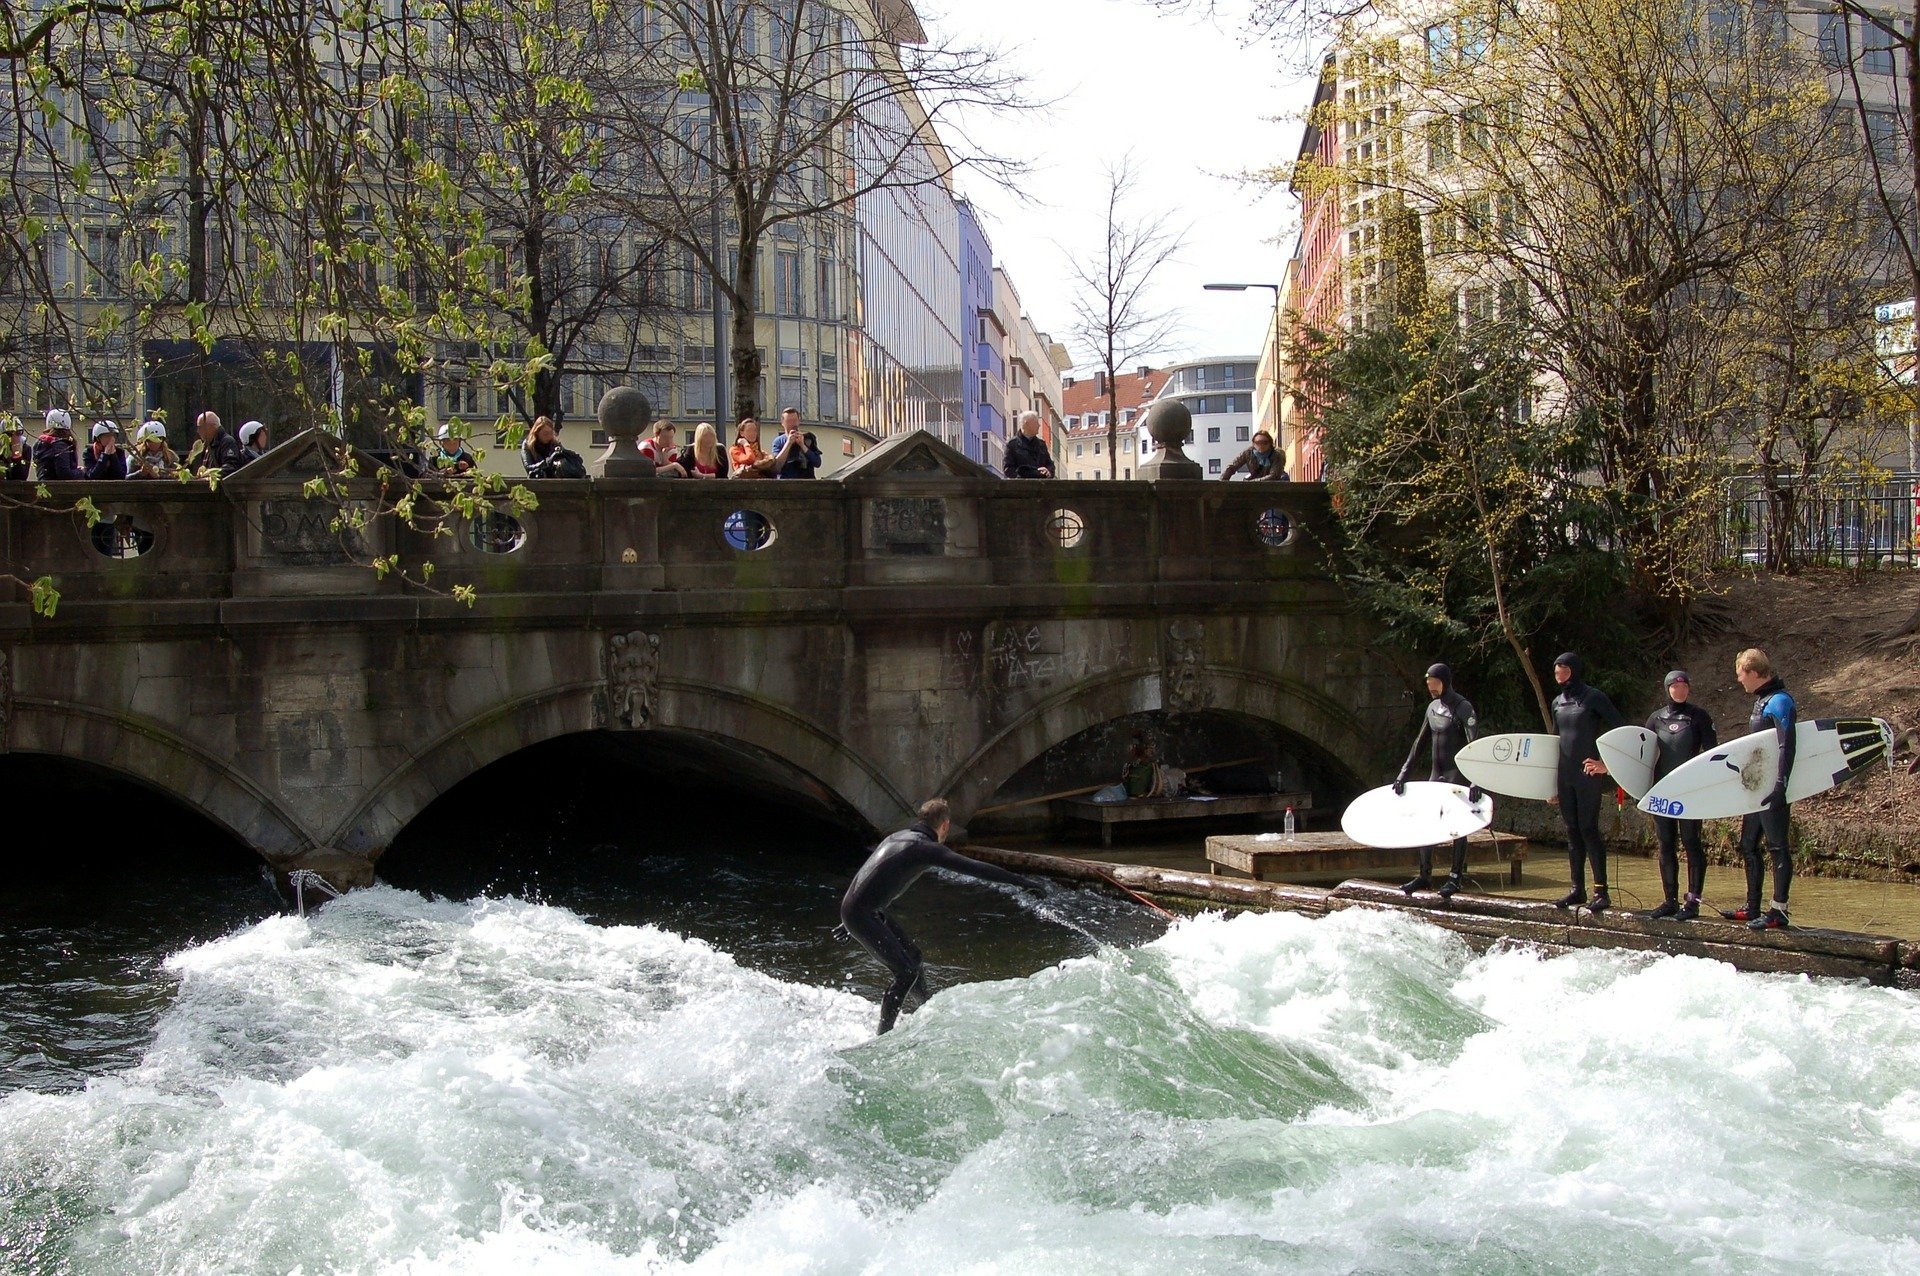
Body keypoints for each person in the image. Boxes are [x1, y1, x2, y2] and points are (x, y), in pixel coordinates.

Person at [836, 798, 1041, 1034]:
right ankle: (883, 1037)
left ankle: (926, 1012)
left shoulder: (897, 837)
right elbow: (976, 868)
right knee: (906, 971)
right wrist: (1022, 882)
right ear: (945, 825)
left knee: (914, 958)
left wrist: (848, 916)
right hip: (863, 913)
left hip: (862, 909)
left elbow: (873, 874)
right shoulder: (924, 848)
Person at [1393, 662, 1480, 898]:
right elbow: (1419, 743)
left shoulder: (1463, 708)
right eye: (1429, 684)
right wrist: (1403, 774)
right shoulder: (1432, 708)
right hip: (1436, 775)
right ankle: (1424, 875)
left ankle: (1455, 878)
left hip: (1456, 776)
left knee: (1458, 826)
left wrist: (1475, 780)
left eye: (1435, 684)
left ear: (1445, 682)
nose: (1431, 688)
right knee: (1426, 822)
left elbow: (1475, 746)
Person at [1549, 651, 1624, 912]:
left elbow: (1620, 729)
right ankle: (1576, 890)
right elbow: (1554, 744)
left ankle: (1601, 892)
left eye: (1564, 670)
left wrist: (1606, 764)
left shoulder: (1593, 697)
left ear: (1575, 670)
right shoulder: (1557, 702)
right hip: (1565, 775)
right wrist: (1549, 784)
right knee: (1572, 831)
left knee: (1588, 828)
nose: (1560, 675)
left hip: (1588, 774)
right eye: (1557, 671)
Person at [1727, 649, 1796, 930]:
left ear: (1753, 673)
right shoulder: (1762, 701)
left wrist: (1781, 785)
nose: (1739, 680)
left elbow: (1786, 745)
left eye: (1741, 675)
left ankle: (1779, 910)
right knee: (1747, 845)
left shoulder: (1780, 701)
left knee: (1777, 847)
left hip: (1773, 787)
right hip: (1756, 788)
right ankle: (1752, 906)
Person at [1644, 670, 1716, 921]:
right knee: (1665, 843)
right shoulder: (1655, 719)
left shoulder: (1699, 717)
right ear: (1667, 688)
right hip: (1663, 790)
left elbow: (1712, 755)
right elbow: (1642, 757)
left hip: (1690, 790)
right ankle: (1670, 900)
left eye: (1684, 685)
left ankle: (1693, 902)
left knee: (1691, 842)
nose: (1680, 689)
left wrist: (1708, 787)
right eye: (1675, 685)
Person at [34, 409, 85, 480]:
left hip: (43, 486)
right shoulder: (60, 446)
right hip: (58, 488)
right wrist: (80, 472)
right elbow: (65, 474)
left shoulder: (40, 443)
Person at [1003, 410, 1055, 479]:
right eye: (1036, 422)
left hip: (1041, 486)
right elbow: (1008, 468)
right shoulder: (1012, 445)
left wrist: (1048, 472)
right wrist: (1020, 478)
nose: (1039, 425)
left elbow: (1050, 464)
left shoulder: (1041, 445)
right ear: (1027, 424)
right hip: (1021, 488)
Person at [188, 410, 243, 474]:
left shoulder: (227, 442)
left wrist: (210, 474)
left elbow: (231, 467)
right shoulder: (207, 444)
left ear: (212, 426)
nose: (198, 431)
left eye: (200, 427)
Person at [1221, 430, 1289, 481]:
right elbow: (1232, 467)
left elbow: (1274, 476)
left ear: (1270, 443)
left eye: (1264, 443)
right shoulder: (1248, 452)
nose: (1261, 445)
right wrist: (1222, 481)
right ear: (1253, 444)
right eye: (1258, 443)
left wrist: (1253, 482)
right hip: (1254, 483)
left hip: (1272, 487)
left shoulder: (1276, 455)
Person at [771, 408, 820, 478]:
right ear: (782, 423)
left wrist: (802, 445)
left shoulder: (808, 438)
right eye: (789, 421)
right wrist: (788, 443)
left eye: (794, 421)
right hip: (786, 484)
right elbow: (776, 468)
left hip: (807, 484)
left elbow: (817, 463)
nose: (792, 424)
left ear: (798, 421)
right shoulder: (778, 442)